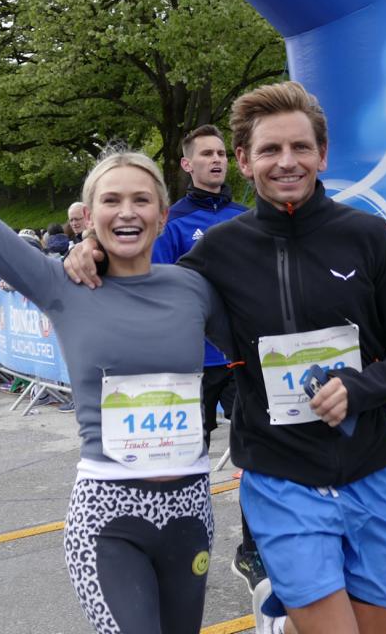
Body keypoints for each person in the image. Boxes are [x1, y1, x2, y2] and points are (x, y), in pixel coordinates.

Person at [0, 30, 233, 634]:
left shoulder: (194, 288)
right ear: (90, 215)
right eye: (111, 200)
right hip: (109, 519)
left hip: (191, 512)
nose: (128, 211)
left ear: (164, 214)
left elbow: (260, 354)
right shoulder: (61, 284)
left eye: (142, 200)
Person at [67, 80, 386, 634]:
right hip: (280, 476)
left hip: (373, 472)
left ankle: (279, 627)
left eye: (300, 147)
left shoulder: (369, 237)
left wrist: (360, 387)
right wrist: (93, 249)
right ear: (244, 160)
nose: (286, 162)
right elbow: (149, 287)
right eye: (270, 150)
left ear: (322, 154)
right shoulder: (219, 251)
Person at [150, 123, 257, 590]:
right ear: (187, 164)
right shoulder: (172, 221)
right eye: (206, 154)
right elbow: (160, 289)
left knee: (258, 455)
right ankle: (179, 548)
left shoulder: (245, 216)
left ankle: (252, 550)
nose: (216, 160)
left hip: (239, 360)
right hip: (190, 364)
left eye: (221, 153)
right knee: (184, 463)